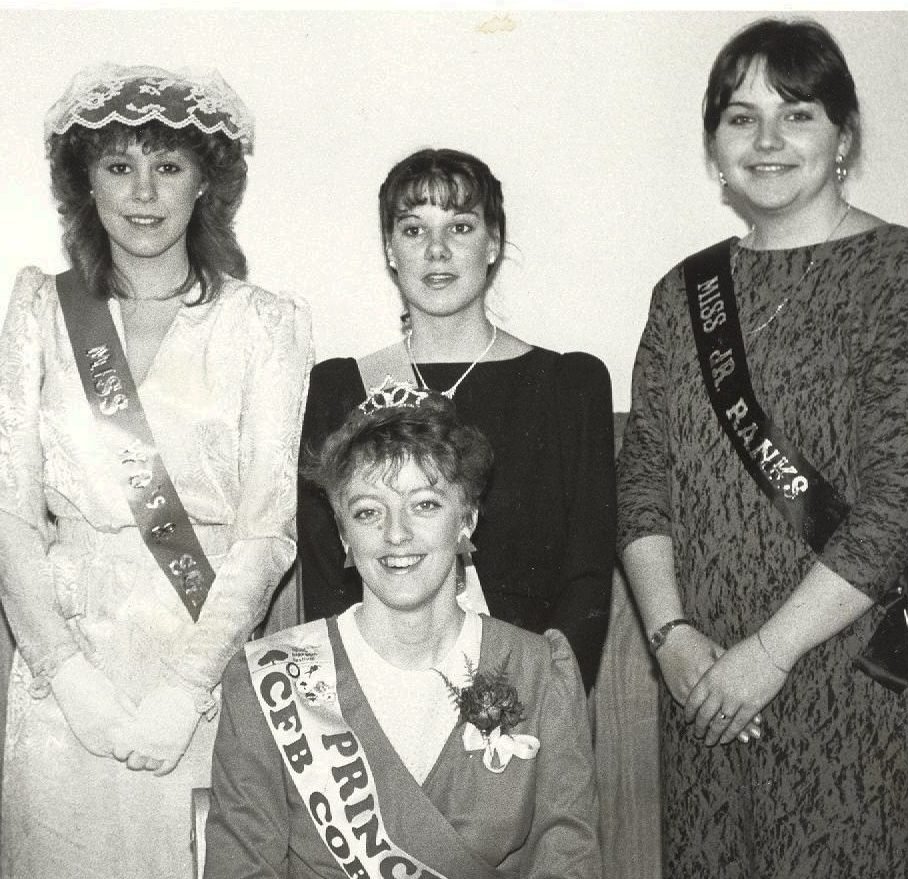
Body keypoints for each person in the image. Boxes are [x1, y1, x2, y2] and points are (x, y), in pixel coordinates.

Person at [617, 17, 908, 879]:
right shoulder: (682, 291)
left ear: (843, 137)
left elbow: (902, 500)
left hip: (855, 677)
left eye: (796, 114)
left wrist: (766, 655)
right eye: (740, 117)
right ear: (714, 145)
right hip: (702, 680)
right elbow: (643, 476)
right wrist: (671, 638)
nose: (765, 141)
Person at [0, 64, 312, 878]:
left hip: (198, 657)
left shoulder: (263, 324)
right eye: (119, 165)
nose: (143, 192)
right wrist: (67, 675)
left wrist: (185, 687)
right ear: (86, 182)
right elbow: (8, 510)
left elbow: (267, 530)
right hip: (65, 665)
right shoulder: (40, 310)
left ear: (205, 182)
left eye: (167, 166)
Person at [205, 391, 601, 878]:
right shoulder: (267, 681)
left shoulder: (539, 672)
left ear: (467, 519)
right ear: (344, 533)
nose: (396, 534)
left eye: (425, 505)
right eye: (368, 511)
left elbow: (568, 861)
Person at [298, 148, 614, 694]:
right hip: (380, 694)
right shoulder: (339, 388)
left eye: (460, 227)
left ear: (492, 244)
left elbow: (586, 576)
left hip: (521, 694)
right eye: (414, 229)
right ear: (390, 249)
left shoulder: (568, 386)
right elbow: (329, 580)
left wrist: (544, 698)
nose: (437, 250)